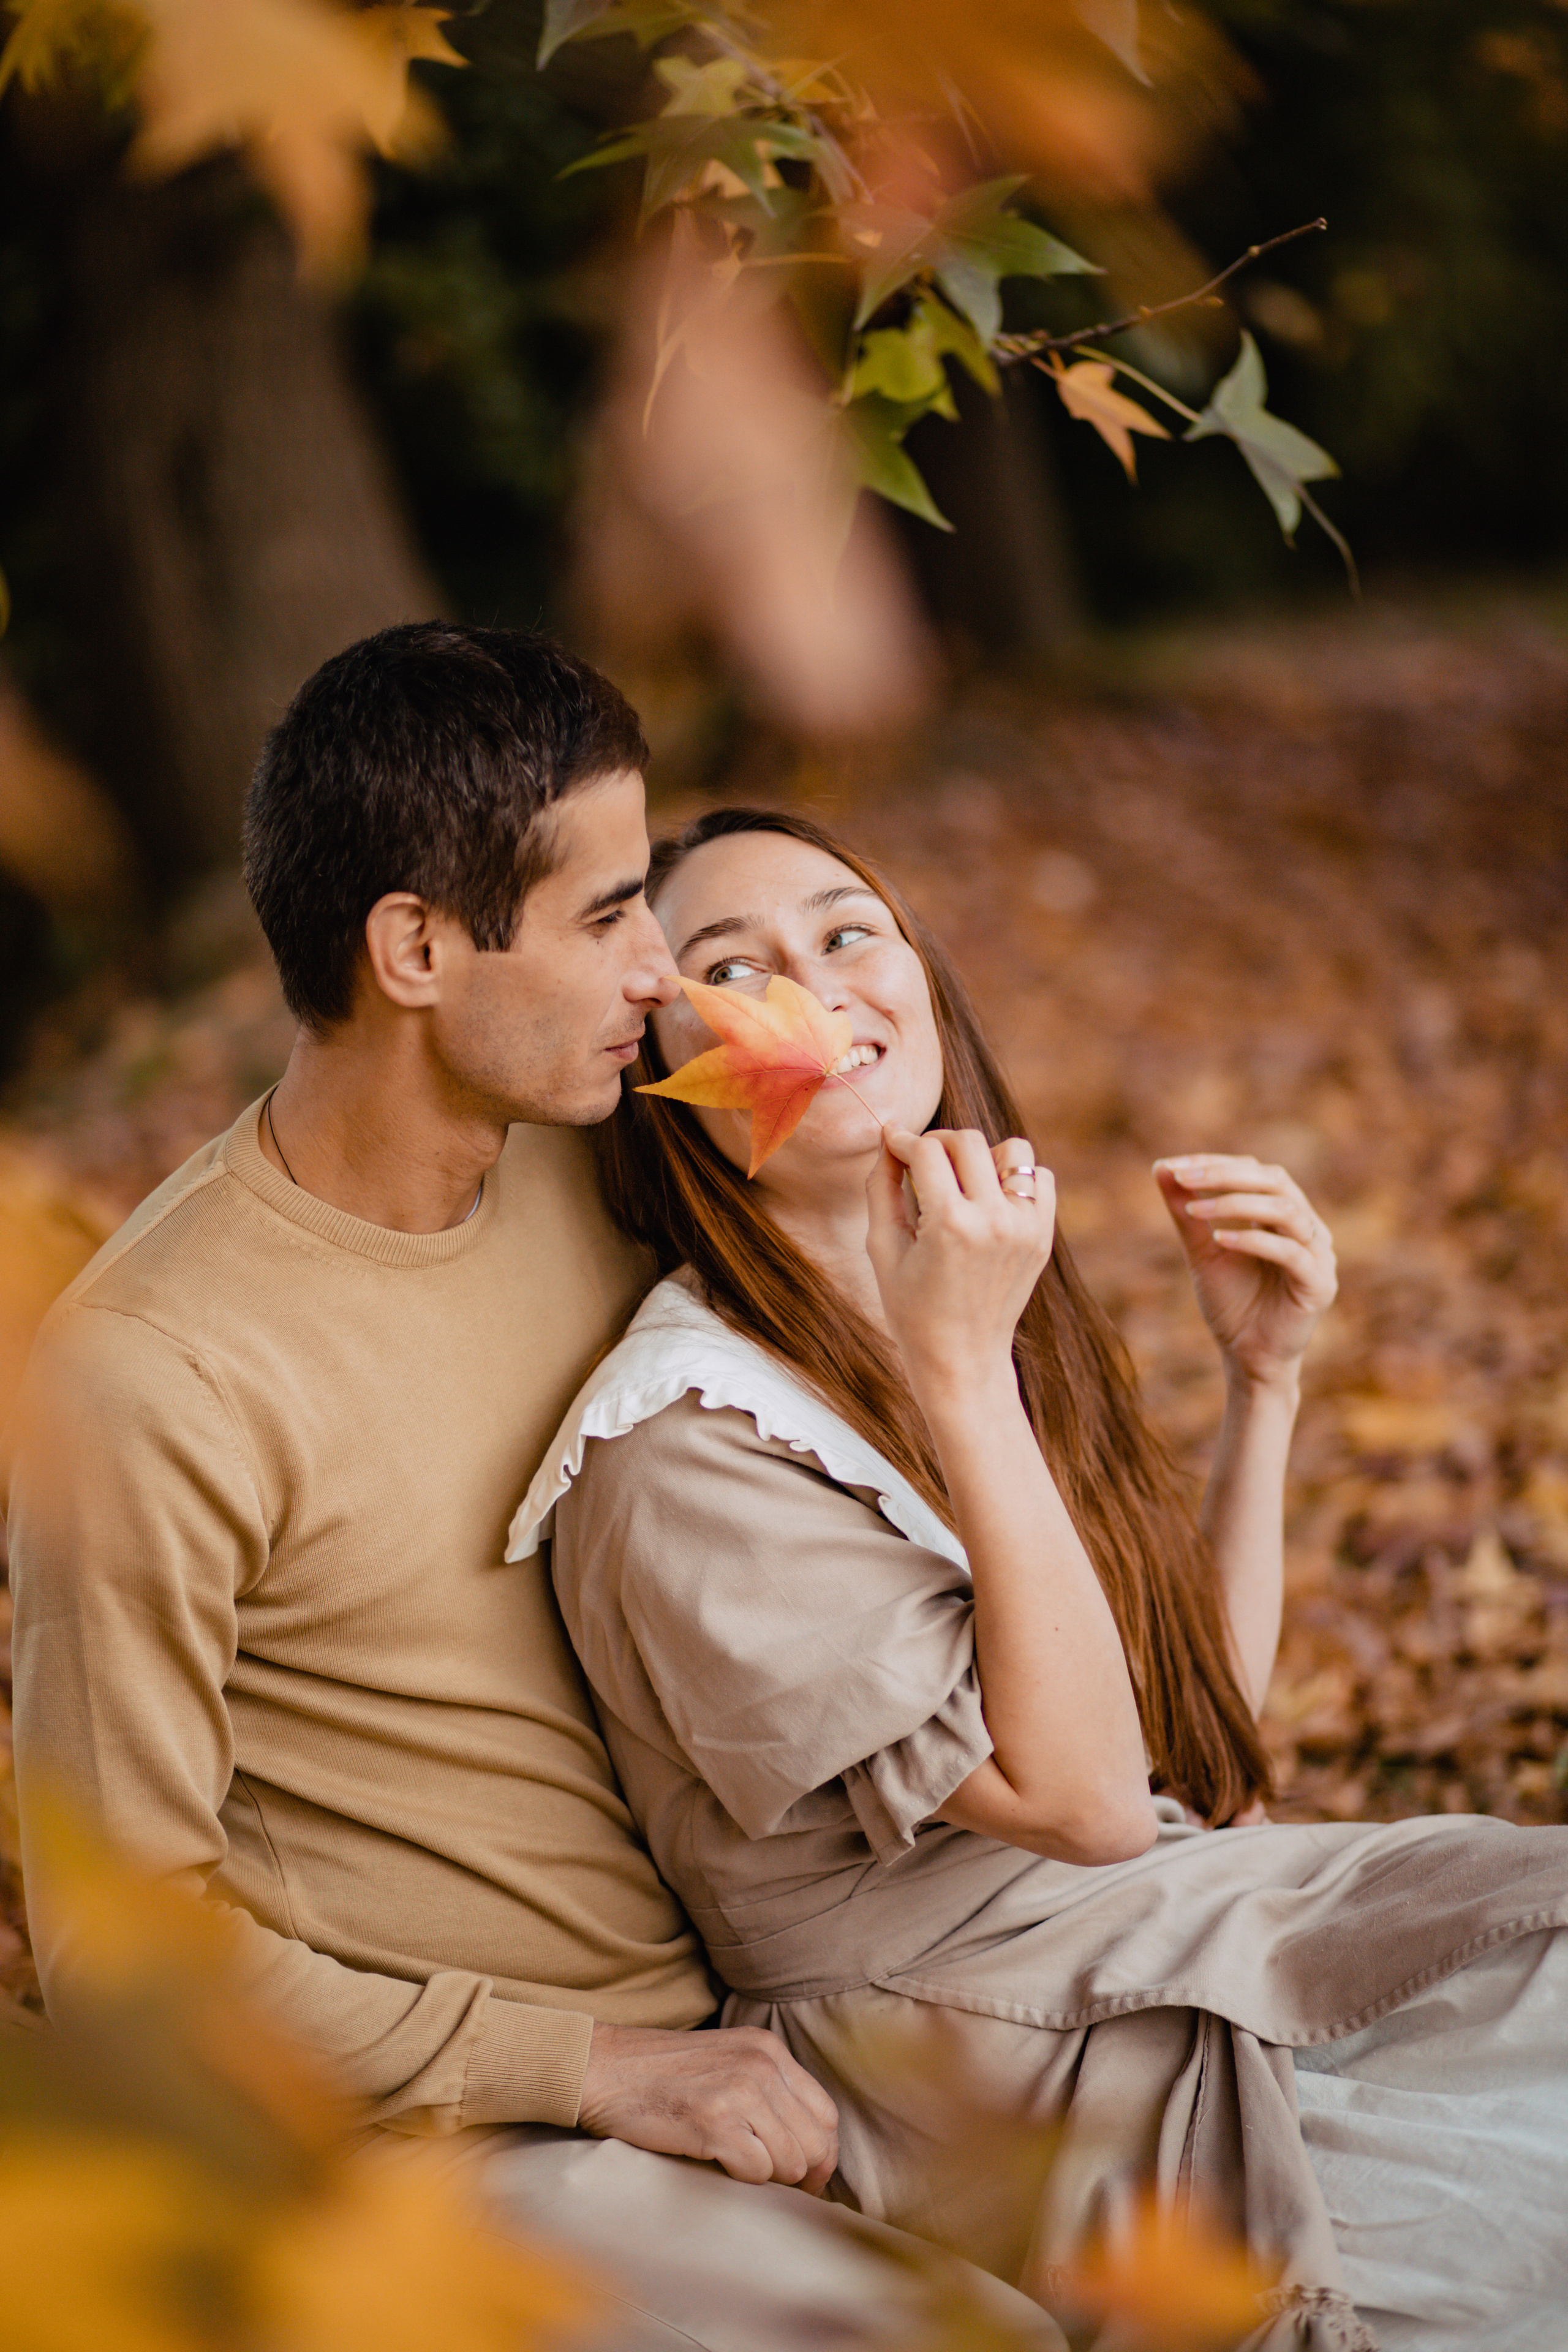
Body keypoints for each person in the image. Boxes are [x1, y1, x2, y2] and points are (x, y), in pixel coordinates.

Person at [2, 628, 1057, 2352]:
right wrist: (589, 2067)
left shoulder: (594, 1165)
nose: (659, 969)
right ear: (414, 947)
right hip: (465, 2144)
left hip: (798, 2003)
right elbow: (122, 1967)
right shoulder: (154, 1377)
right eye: (606, 913)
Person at [516, 805, 1568, 2352]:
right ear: (667, 1079)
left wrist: (1259, 1383)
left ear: (923, 977)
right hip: (971, 2046)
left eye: (847, 932)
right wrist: (961, 1372)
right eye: (734, 969)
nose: (815, 994)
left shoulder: (944, 1302)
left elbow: (1180, 1750)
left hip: (1142, 1913)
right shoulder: (679, 1447)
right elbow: (1079, 1806)